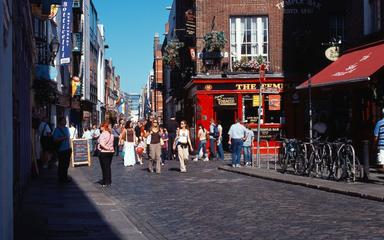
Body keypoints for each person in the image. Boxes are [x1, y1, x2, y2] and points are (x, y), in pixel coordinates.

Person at [52, 117, 72, 183]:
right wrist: (63, 138)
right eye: (64, 121)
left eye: (65, 121)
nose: (65, 122)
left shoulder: (66, 129)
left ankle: (65, 177)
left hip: (68, 149)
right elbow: (54, 139)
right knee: (61, 164)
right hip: (61, 150)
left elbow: (68, 137)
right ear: (60, 122)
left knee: (66, 164)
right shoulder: (57, 130)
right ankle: (61, 178)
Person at [97, 122, 115, 187]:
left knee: (104, 167)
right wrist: (110, 149)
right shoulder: (111, 134)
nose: (100, 128)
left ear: (104, 127)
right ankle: (109, 181)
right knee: (108, 167)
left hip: (104, 152)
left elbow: (101, 144)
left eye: (101, 126)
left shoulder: (103, 134)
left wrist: (107, 148)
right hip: (111, 152)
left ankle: (105, 182)